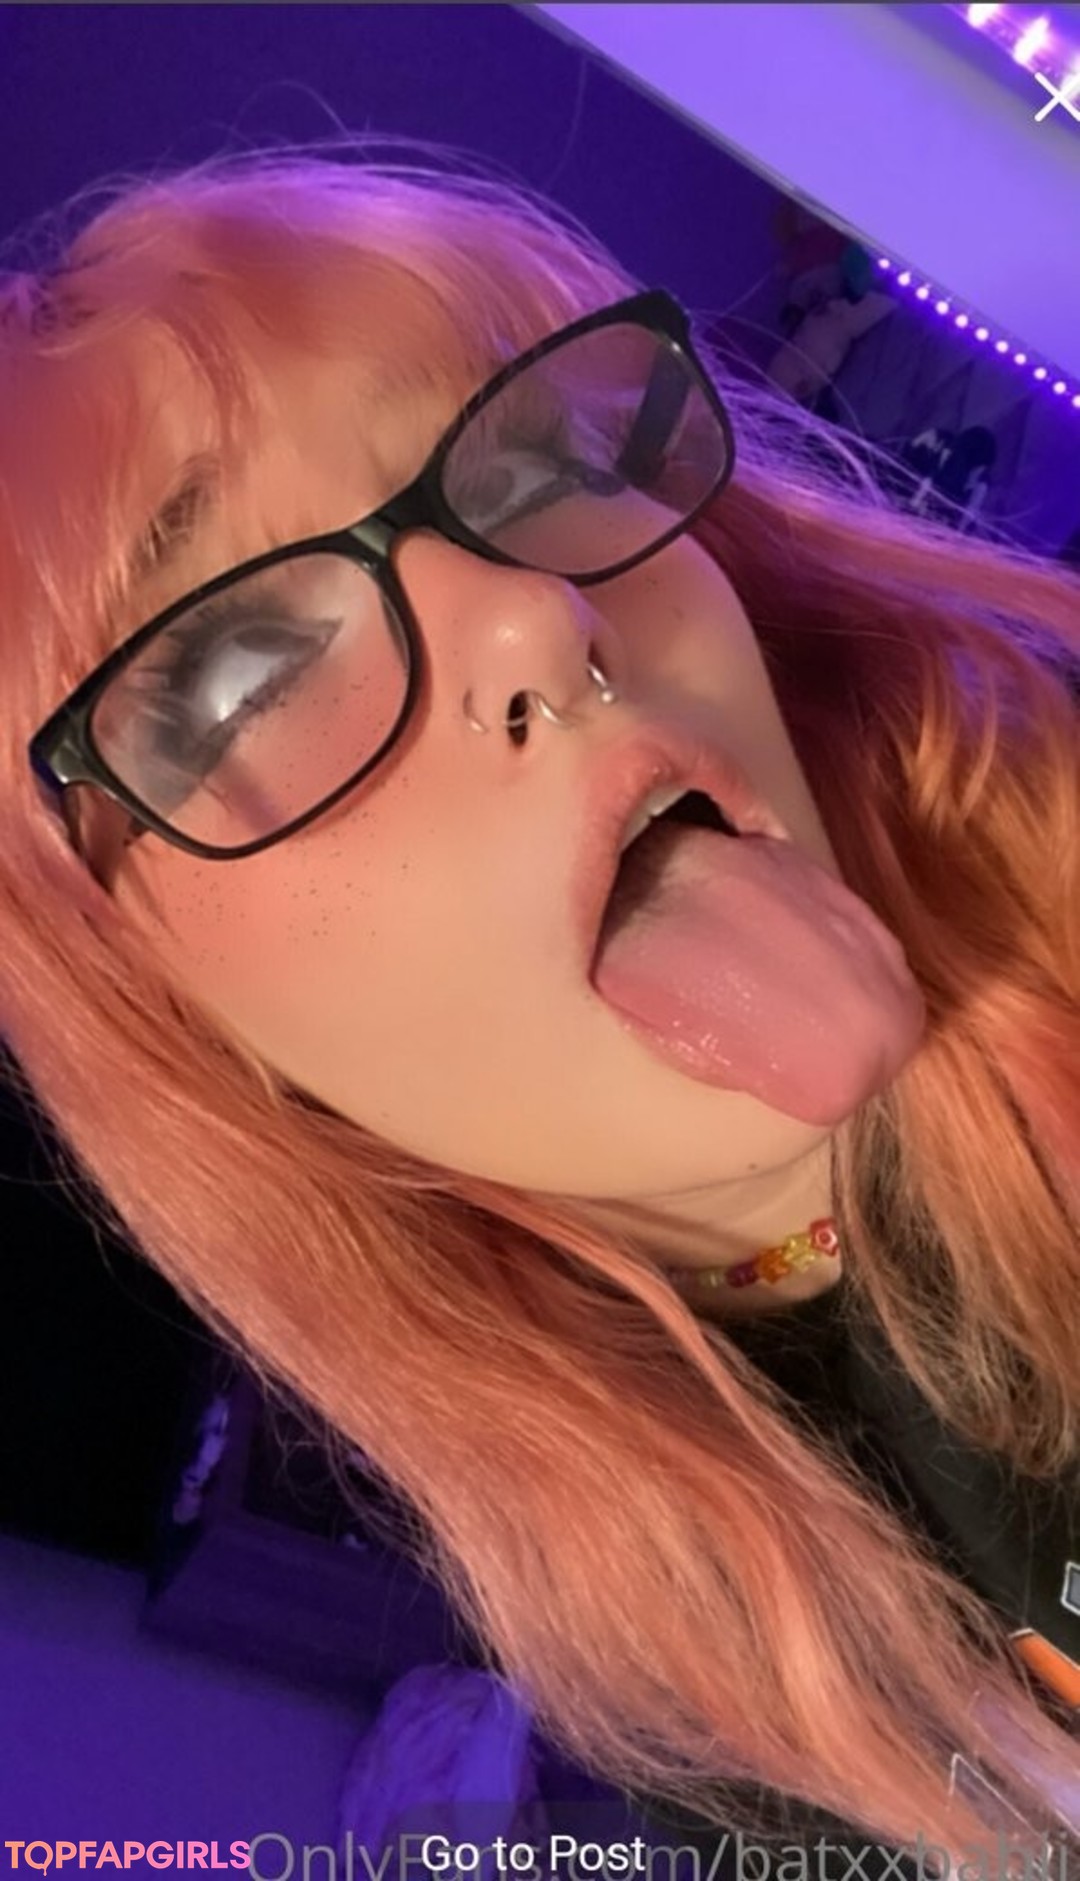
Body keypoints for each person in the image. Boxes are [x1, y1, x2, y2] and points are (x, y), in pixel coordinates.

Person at [2, 139, 1078, 1878]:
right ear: (174, 1038)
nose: (534, 615)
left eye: (529, 461)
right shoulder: (701, 1667)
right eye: (241, 671)